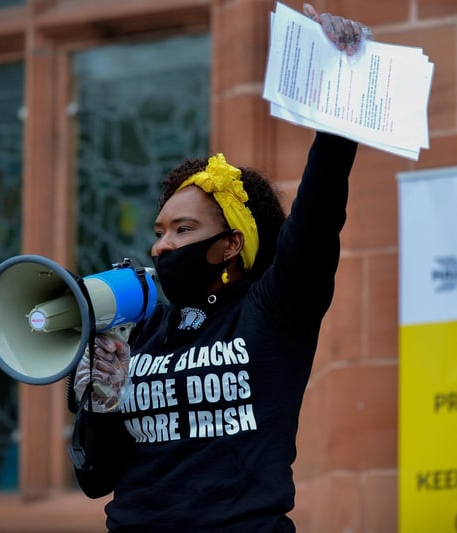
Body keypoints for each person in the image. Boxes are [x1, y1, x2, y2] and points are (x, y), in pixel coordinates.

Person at [70, 5, 369, 532]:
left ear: (231, 244)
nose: (163, 246)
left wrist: (342, 99)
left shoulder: (273, 311)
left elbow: (318, 215)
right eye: (159, 231)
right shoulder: (142, 328)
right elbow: (97, 479)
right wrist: (99, 400)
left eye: (184, 230)